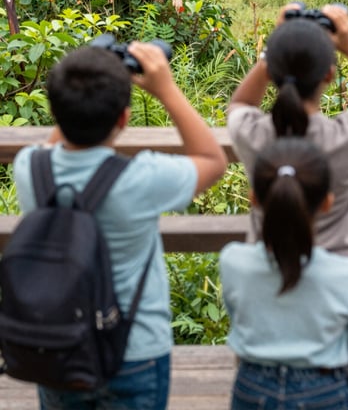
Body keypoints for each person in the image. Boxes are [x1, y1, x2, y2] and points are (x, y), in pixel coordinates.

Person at [13, 41, 228, 410]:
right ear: (124, 119)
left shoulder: (29, 167)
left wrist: (83, 79)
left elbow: (56, 139)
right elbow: (213, 159)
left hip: (59, 345)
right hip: (135, 351)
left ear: (54, 110)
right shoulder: (140, 178)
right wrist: (166, 89)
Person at [227, 4, 348, 260]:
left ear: (271, 71)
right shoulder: (347, 137)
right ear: (329, 75)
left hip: (264, 272)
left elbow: (239, 104)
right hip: (340, 275)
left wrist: (277, 45)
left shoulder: (253, 134)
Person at [220, 137, 348, 410]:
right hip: (323, 389)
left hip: (252, 387)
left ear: (254, 199)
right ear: (327, 202)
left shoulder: (233, 261)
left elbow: (238, 323)